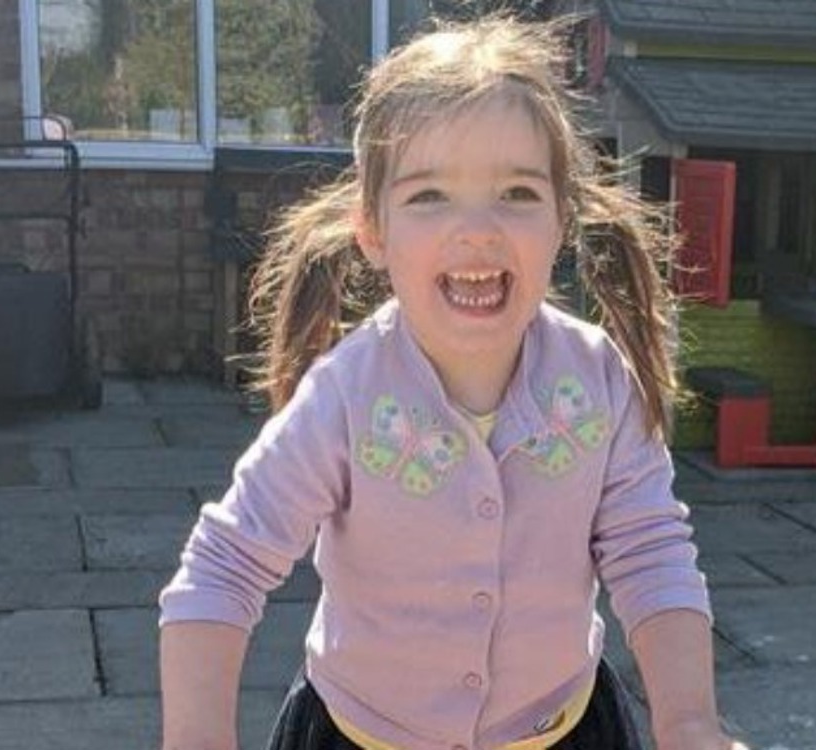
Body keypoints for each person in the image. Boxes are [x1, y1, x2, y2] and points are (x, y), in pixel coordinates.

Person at [160, 15, 745, 750]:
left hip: (563, 729)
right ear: (373, 231)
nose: (477, 229)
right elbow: (224, 565)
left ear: (563, 219)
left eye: (518, 193)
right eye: (429, 195)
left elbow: (651, 551)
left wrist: (689, 722)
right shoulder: (347, 396)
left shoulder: (596, 378)